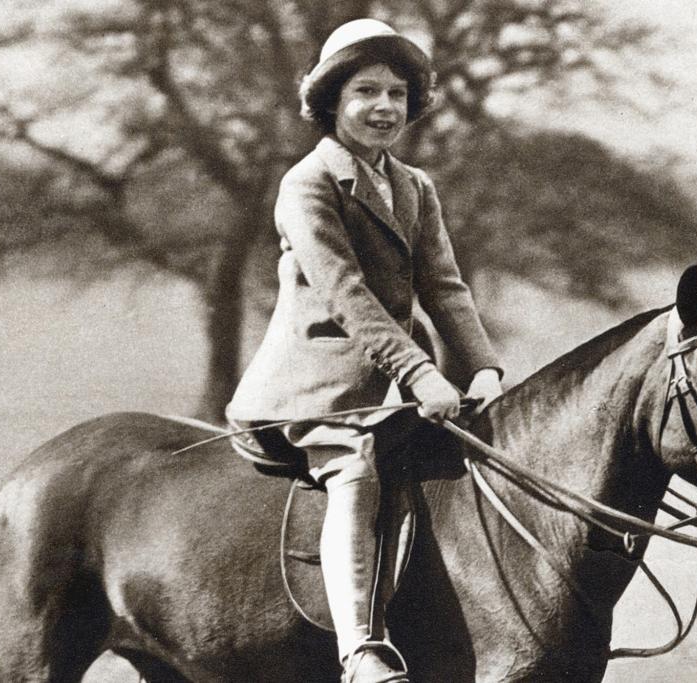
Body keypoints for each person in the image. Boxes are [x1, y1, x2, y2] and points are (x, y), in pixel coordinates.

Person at [226, 18, 503, 683]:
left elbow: (444, 285)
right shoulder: (307, 183)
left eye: (397, 95)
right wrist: (422, 373)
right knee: (358, 469)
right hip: (316, 383)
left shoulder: (415, 186)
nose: (384, 108)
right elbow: (348, 294)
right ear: (332, 103)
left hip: (404, 381)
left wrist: (483, 365)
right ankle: (362, 649)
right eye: (365, 92)